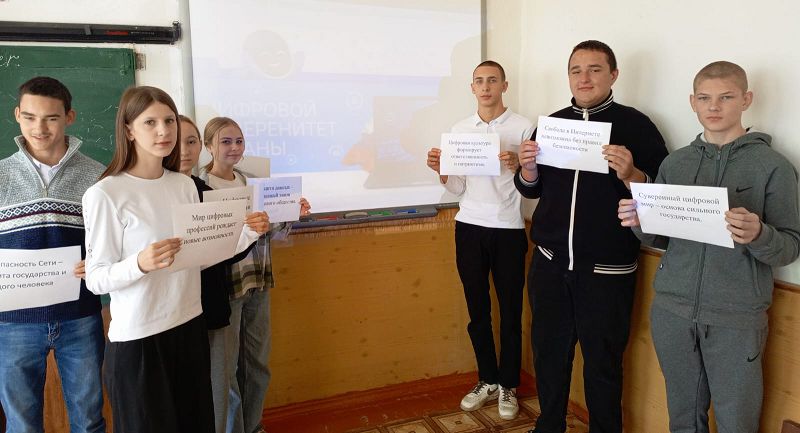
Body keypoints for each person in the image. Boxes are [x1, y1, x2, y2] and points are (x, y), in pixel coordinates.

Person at [618, 61, 800, 433]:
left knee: (737, 423)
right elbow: (660, 239)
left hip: (737, 318)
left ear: (746, 100)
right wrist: (640, 223)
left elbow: (790, 247)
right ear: (692, 102)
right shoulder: (676, 163)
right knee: (683, 419)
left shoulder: (773, 167)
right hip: (672, 311)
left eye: (726, 97)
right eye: (704, 98)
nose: (713, 107)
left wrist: (759, 234)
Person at [81, 87, 263, 433]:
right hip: (140, 340)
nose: (163, 131)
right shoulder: (105, 193)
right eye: (150, 122)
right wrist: (140, 263)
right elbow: (96, 279)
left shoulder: (184, 185)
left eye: (168, 121)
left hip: (190, 326)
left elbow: (198, 258)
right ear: (129, 130)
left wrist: (248, 234)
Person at [515, 40, 668, 433]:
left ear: (613, 75)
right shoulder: (551, 124)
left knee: (603, 364)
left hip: (607, 271)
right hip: (550, 265)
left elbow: (662, 197)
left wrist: (632, 175)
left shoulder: (637, 126)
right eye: (576, 70)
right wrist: (528, 170)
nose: (584, 78)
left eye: (595, 69)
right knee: (549, 355)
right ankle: (549, 425)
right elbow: (533, 189)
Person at [426, 60, 533, 420]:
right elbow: (457, 187)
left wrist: (520, 165)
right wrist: (442, 171)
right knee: (477, 311)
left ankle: (509, 384)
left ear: (505, 85)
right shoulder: (460, 129)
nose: (486, 87)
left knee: (511, 312)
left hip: (509, 229)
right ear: (472, 88)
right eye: (479, 81)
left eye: (492, 80)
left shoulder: (523, 127)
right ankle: (487, 378)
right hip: (469, 227)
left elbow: (534, 185)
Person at [0, 76, 106, 433]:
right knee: (21, 425)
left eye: (51, 118)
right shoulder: (0, 176)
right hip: (13, 323)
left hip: (80, 317)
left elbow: (110, 243)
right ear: (17, 115)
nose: (39, 128)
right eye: (30, 117)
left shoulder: (97, 177)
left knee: (89, 421)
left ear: (69, 117)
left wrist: (98, 262)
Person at [200, 116, 310, 433]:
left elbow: (273, 231)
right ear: (209, 146)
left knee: (257, 363)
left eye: (239, 141)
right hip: (225, 289)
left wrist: (292, 212)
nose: (234, 147)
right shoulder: (198, 186)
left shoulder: (254, 183)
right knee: (226, 369)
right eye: (225, 141)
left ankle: (254, 425)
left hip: (258, 281)